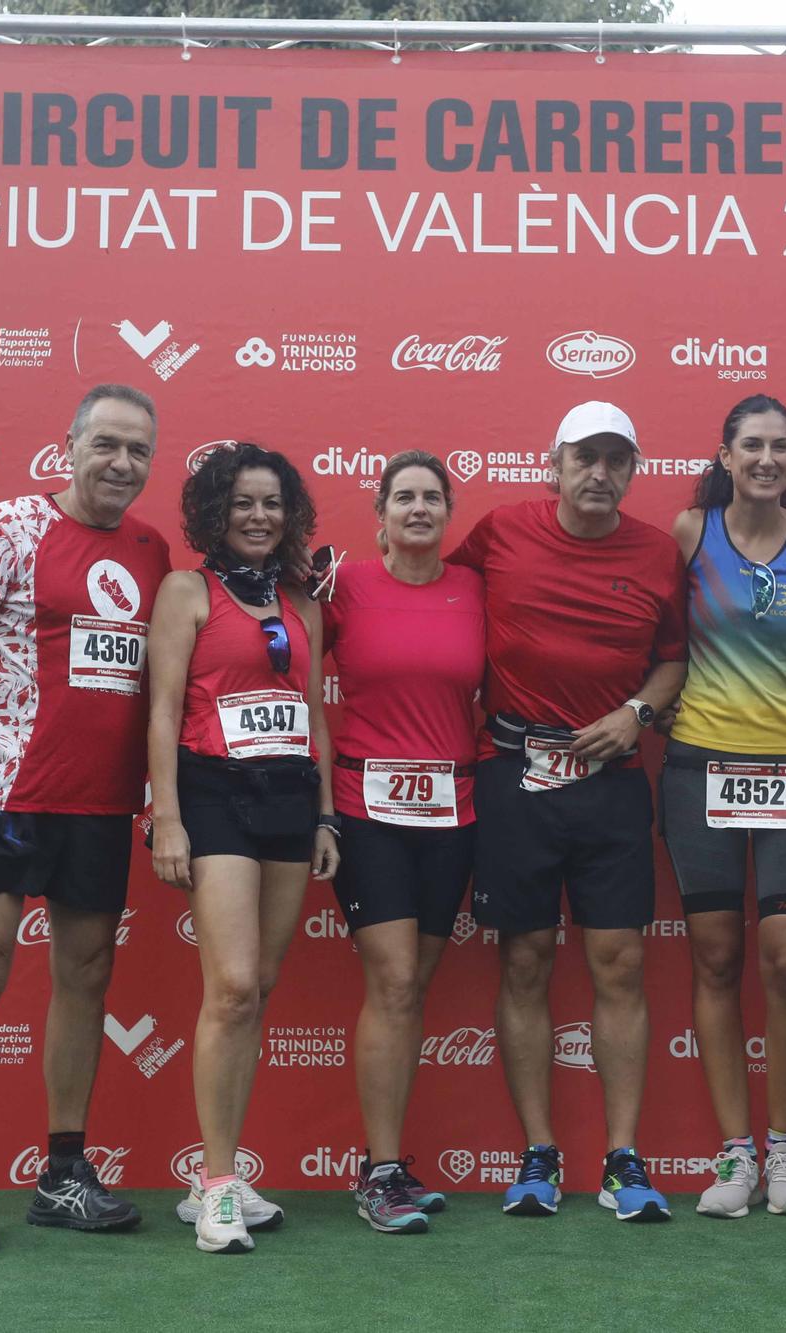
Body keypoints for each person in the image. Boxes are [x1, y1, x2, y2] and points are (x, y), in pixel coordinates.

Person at [0, 383, 170, 1254]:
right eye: (106, 444)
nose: (121, 463)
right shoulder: (9, 527)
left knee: (87, 977)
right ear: (69, 444)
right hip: (4, 793)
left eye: (138, 449)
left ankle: (63, 1173)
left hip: (99, 802)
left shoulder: (150, 549)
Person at [449, 401, 689, 1222]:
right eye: (586, 456)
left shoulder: (659, 552)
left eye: (617, 460)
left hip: (612, 779)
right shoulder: (499, 532)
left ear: (633, 470)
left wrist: (639, 715)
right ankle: (539, 1154)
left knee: (619, 962)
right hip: (514, 772)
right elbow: (429, 593)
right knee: (524, 960)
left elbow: (673, 659)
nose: (600, 473)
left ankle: (623, 1157)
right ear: (553, 462)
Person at [146, 442, 338, 1255]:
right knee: (228, 986)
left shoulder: (303, 600)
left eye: (273, 504)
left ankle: (212, 1182)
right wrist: (168, 817)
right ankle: (219, 1179)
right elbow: (159, 710)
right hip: (214, 795)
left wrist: (327, 815)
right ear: (214, 513)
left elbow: (314, 711)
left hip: (290, 798)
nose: (259, 517)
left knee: (257, 984)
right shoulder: (186, 591)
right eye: (242, 503)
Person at [662, 396, 786, 1219]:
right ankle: (736, 1154)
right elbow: (658, 641)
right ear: (727, 455)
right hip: (700, 766)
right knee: (714, 959)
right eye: (752, 446)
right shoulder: (689, 533)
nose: (766, 458)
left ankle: (784, 1151)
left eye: (780, 446)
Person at [322, 451, 486, 1234]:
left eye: (431, 497)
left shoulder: (474, 590)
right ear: (379, 513)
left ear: (448, 512)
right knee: (390, 981)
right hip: (365, 806)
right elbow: (272, 654)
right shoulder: (343, 586)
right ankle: (379, 1170)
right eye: (404, 497)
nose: (418, 509)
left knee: (411, 985)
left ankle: (391, 1166)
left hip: (453, 813)